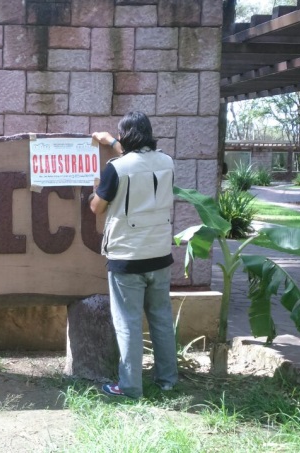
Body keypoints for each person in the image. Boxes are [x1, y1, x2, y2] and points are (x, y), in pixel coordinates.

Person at [89, 111, 178, 398]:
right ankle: (167, 380)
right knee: (161, 319)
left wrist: (95, 192)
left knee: (127, 323)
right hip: (160, 254)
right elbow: (138, 163)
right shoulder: (167, 162)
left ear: (126, 135)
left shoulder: (115, 169)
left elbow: (97, 207)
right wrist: (111, 141)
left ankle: (129, 387)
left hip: (127, 257)